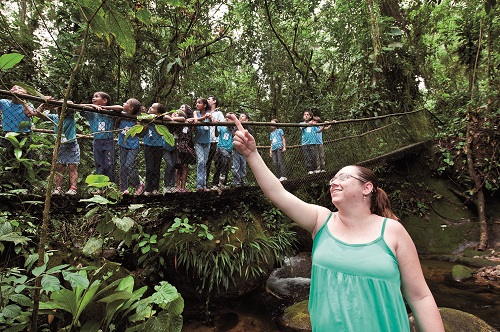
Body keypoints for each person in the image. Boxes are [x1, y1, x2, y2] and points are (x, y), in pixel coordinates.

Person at [229, 114, 444, 332]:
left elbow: (420, 296)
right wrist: (252, 154)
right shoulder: (321, 221)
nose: (334, 182)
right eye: (333, 179)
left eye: (343, 177)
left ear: (367, 188)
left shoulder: (392, 231)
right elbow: (278, 193)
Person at [32, 100, 80, 195]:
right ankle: (58, 188)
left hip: (71, 144)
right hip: (60, 145)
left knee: (72, 166)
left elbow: (71, 105)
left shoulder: (70, 116)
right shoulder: (54, 118)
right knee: (59, 167)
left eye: (63, 107)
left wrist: (61, 103)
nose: (61, 109)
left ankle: (73, 188)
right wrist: (44, 104)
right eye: (59, 107)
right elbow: (37, 113)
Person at [104, 98, 144, 195]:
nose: (123, 103)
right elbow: (117, 108)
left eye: (126, 102)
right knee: (122, 167)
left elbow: (139, 132)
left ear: (131, 107)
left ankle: (138, 185)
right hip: (122, 144)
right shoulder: (121, 114)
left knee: (129, 165)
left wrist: (139, 119)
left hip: (133, 146)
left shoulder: (137, 119)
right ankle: (124, 188)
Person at [0, 85, 36, 185]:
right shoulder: (4, 102)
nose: (15, 89)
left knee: (24, 161)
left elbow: (29, 114)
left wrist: (23, 100)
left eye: (20, 88)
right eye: (13, 88)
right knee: (7, 159)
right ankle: (6, 183)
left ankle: (25, 185)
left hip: (24, 136)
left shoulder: (29, 105)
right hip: (7, 135)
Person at [80, 91, 117, 183]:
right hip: (97, 141)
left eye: (97, 96)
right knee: (99, 164)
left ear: (105, 100)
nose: (93, 98)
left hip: (109, 141)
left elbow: (120, 108)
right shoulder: (92, 114)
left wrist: (104, 107)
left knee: (109, 164)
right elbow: (80, 107)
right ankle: (101, 186)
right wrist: (92, 106)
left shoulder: (110, 113)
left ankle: (110, 186)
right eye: (93, 97)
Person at [141, 102, 166, 195]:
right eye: (150, 106)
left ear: (158, 112)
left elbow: (167, 117)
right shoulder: (145, 118)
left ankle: (155, 188)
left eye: (153, 108)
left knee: (156, 168)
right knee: (149, 168)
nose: (150, 108)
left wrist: (157, 117)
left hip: (159, 146)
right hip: (148, 145)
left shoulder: (162, 119)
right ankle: (148, 189)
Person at [191, 98, 211, 192]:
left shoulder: (209, 112)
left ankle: (204, 185)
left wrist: (210, 117)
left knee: (205, 163)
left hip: (207, 142)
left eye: (199, 103)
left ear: (205, 105)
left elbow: (213, 120)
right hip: (198, 141)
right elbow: (195, 120)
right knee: (201, 161)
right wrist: (204, 118)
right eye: (196, 103)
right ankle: (199, 185)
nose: (197, 104)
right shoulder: (196, 112)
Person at [162, 110, 185, 194]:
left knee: (173, 165)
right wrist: (172, 118)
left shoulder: (179, 125)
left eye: (177, 114)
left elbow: (183, 118)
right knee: (169, 164)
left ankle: (171, 186)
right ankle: (166, 185)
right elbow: (165, 117)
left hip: (174, 146)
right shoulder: (168, 120)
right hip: (165, 146)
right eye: (174, 113)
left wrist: (174, 118)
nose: (175, 114)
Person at [211, 112, 234, 190]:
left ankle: (222, 183)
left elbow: (235, 135)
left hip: (229, 149)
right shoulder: (222, 126)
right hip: (221, 148)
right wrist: (216, 125)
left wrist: (232, 126)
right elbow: (216, 134)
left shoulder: (233, 128)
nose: (228, 119)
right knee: (219, 165)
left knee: (226, 165)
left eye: (230, 118)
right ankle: (215, 183)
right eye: (227, 117)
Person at [175, 104, 195, 192]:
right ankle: (177, 187)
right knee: (178, 166)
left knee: (185, 165)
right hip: (178, 144)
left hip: (188, 145)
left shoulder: (191, 120)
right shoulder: (177, 118)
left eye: (182, 107)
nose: (180, 108)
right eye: (180, 107)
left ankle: (183, 187)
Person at [207, 95, 225, 188]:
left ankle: (215, 183)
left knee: (218, 162)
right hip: (206, 140)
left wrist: (216, 121)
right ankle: (204, 184)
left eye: (209, 99)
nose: (207, 100)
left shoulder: (219, 113)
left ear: (214, 101)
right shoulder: (204, 112)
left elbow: (223, 127)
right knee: (206, 162)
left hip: (216, 140)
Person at [232, 112, 252, 187]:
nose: (240, 117)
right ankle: (236, 182)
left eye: (242, 116)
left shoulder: (248, 129)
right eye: (240, 116)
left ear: (246, 119)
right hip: (236, 150)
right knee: (235, 167)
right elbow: (233, 135)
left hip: (244, 151)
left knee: (243, 167)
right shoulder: (235, 127)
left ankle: (242, 181)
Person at [300, 110, 319, 174]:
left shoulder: (313, 124)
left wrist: (323, 126)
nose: (306, 115)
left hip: (313, 142)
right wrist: (309, 124)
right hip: (305, 143)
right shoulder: (301, 123)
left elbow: (318, 131)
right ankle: (310, 170)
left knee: (314, 156)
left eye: (307, 114)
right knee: (307, 157)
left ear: (310, 116)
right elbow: (302, 127)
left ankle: (315, 169)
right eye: (304, 114)